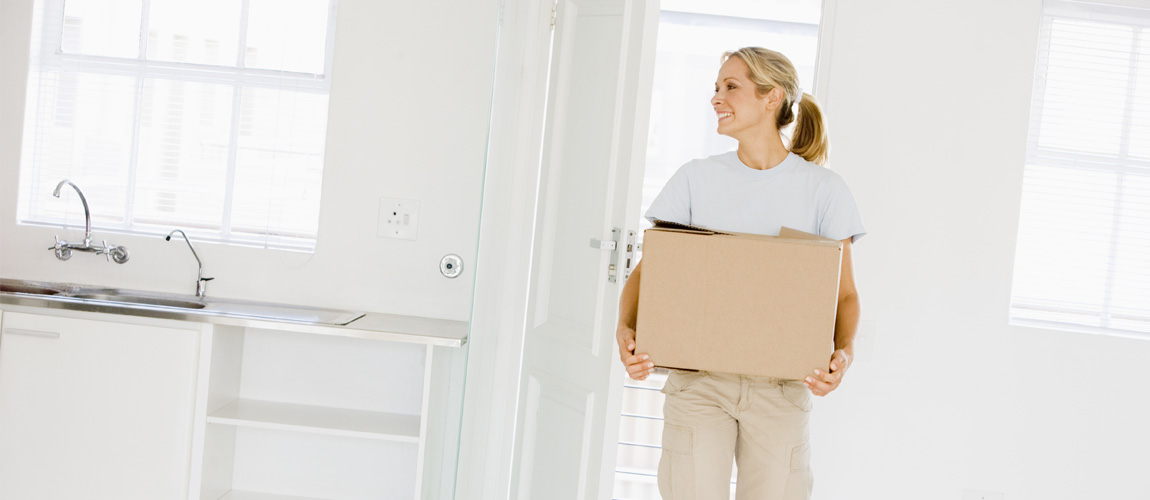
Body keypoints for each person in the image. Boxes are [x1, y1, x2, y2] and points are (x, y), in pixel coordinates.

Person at [614, 47, 865, 500]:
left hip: (781, 387)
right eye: (716, 87)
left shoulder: (823, 190)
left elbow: (844, 295)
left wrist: (842, 356)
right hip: (699, 382)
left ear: (773, 98)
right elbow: (652, 270)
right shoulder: (695, 179)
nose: (716, 97)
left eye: (731, 87)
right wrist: (625, 330)